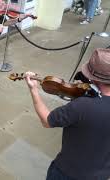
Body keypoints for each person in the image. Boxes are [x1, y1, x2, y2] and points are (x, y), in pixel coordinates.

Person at [24, 48, 110, 179]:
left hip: (68, 172)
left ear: (93, 77)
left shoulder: (82, 106)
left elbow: (47, 121)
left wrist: (34, 89)